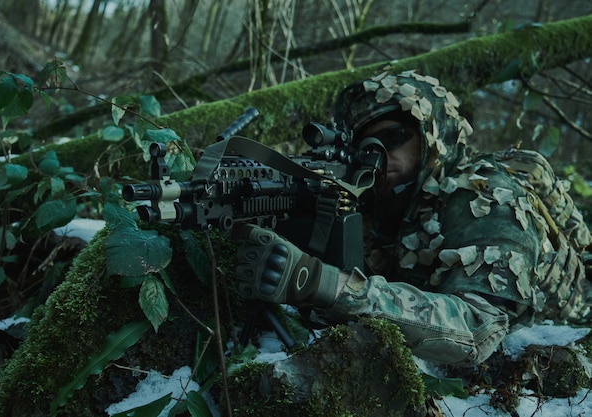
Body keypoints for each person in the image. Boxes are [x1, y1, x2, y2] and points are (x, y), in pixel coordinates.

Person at [232, 70, 592, 367]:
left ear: (433, 137)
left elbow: (477, 330)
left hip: (564, 333)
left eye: (394, 137)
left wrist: (322, 283)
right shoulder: (382, 199)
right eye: (366, 148)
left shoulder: (487, 196)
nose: (379, 157)